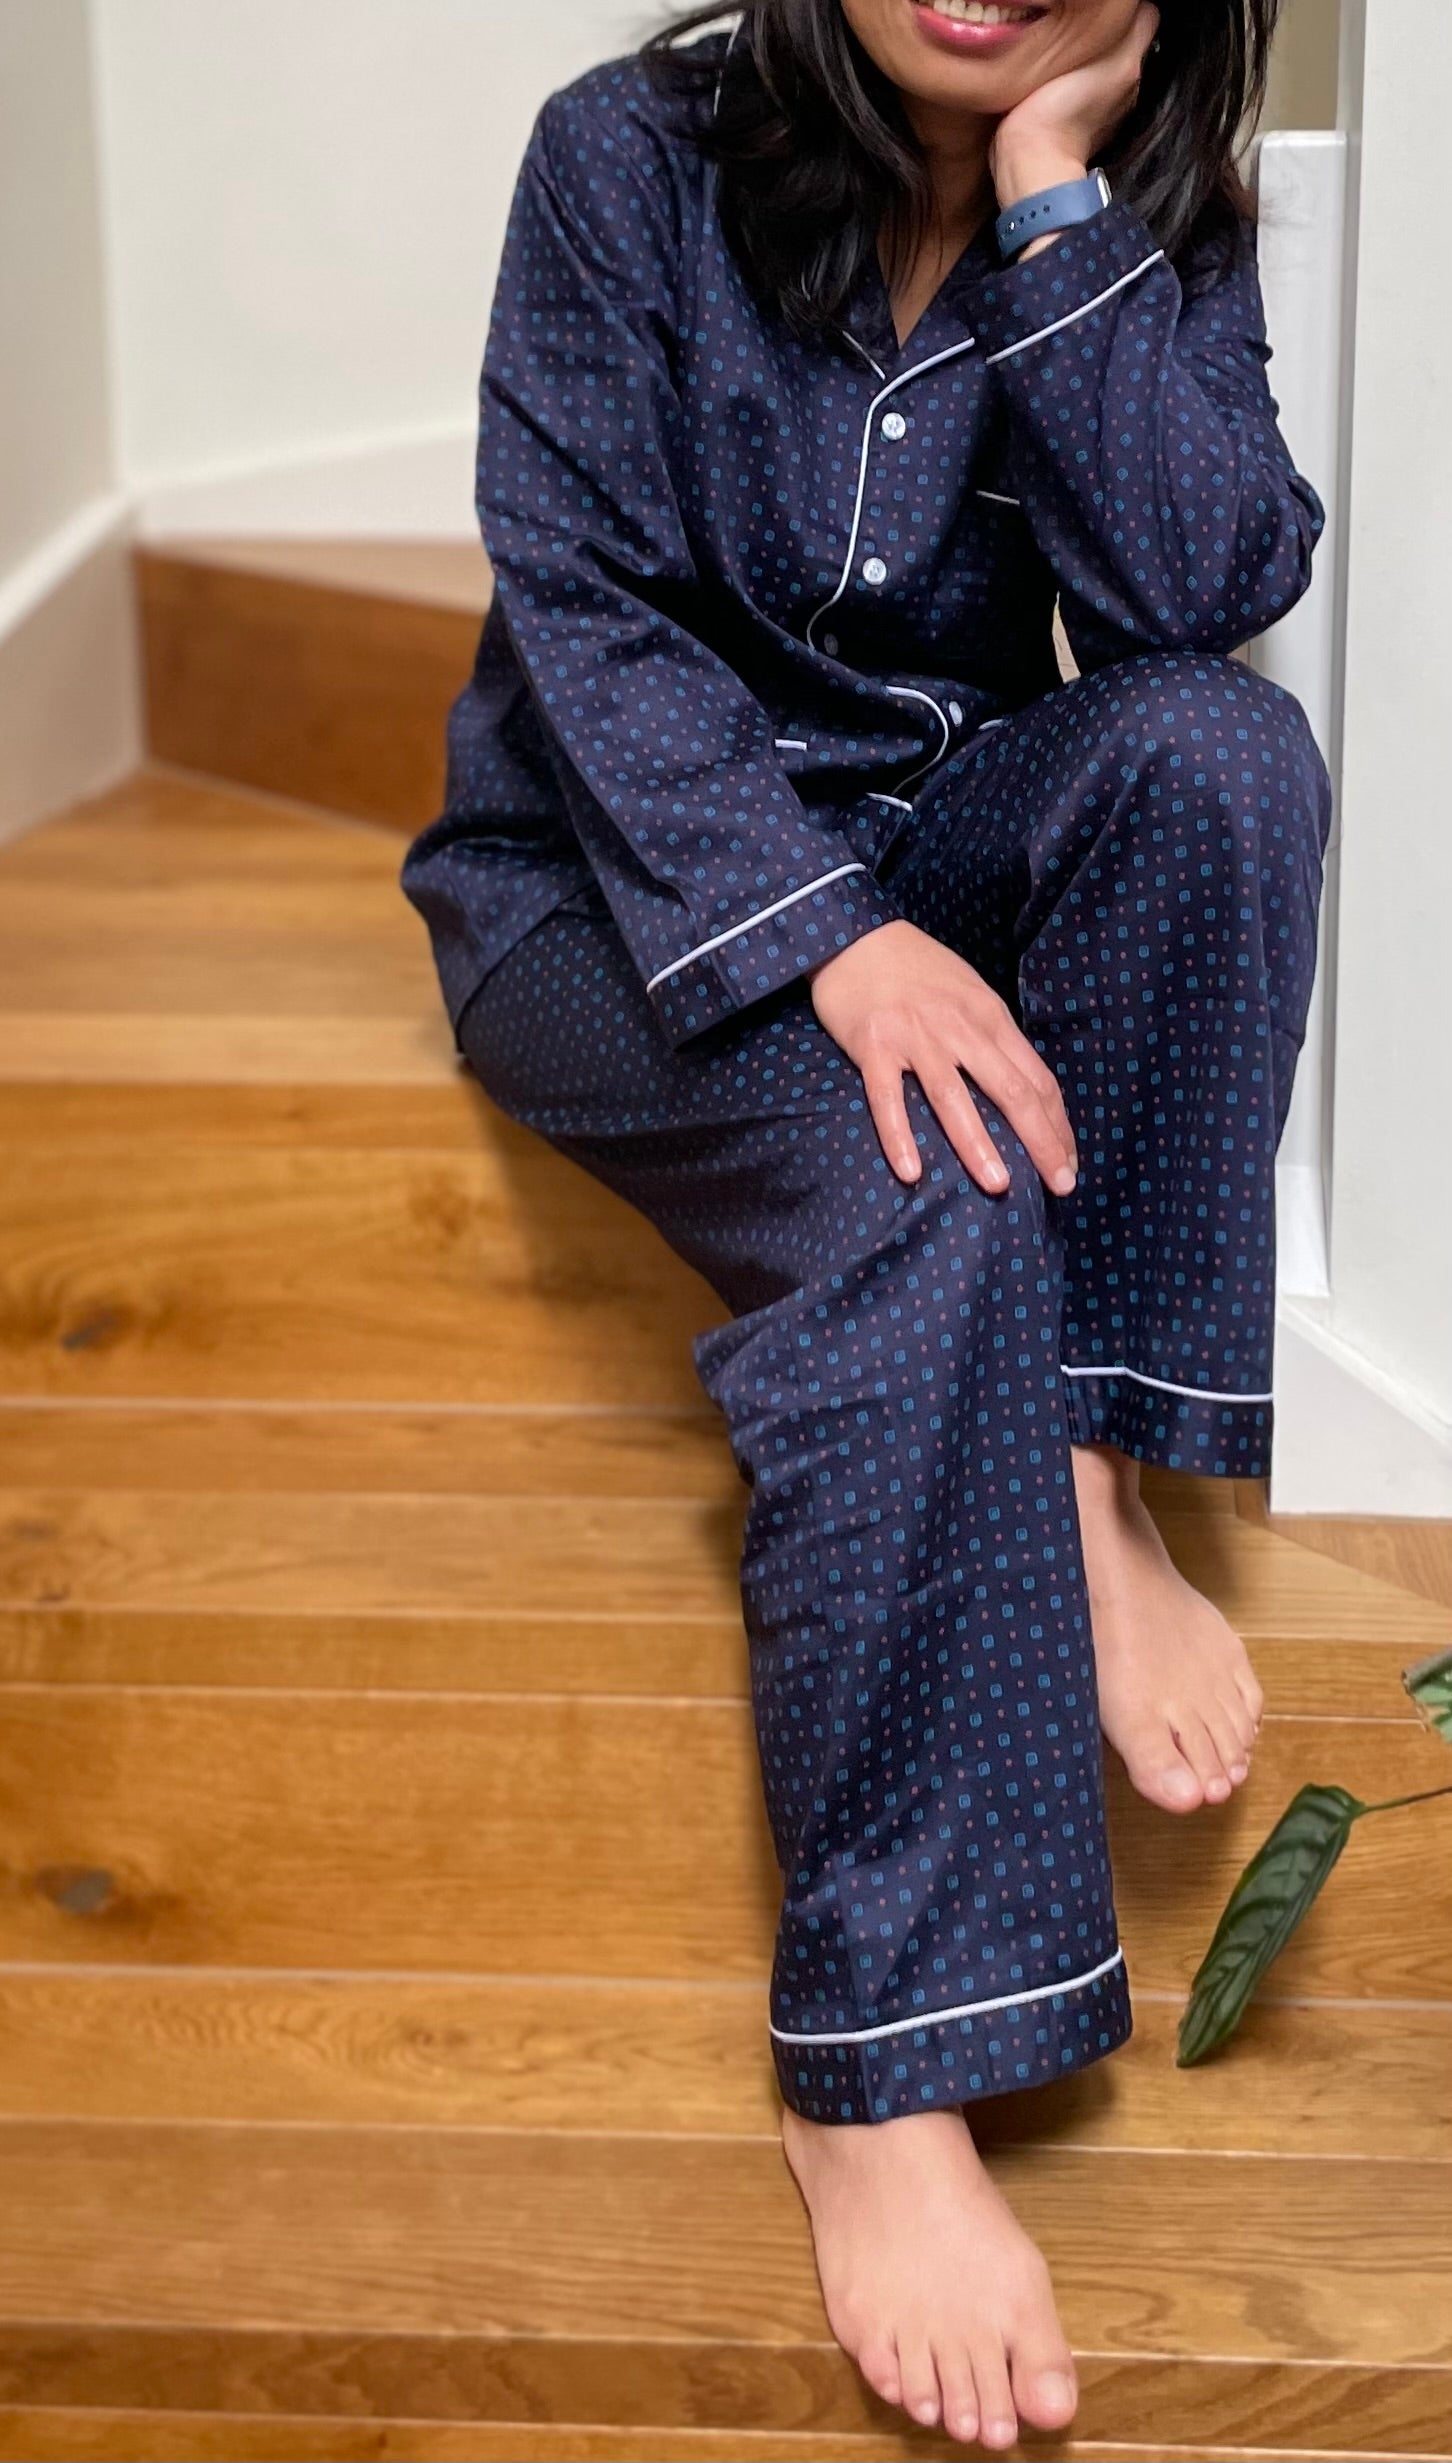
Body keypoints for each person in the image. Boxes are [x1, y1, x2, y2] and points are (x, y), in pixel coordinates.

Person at [400, 0, 1333, 2444]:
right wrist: (827, 929)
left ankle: (1087, 1465)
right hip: (613, 902)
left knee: (1223, 759)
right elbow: (581, 609)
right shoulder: (625, 155)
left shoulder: (1138, 205)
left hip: (937, 833)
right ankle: (879, 2076)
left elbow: (1205, 580)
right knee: (923, 1206)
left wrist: (1050, 198)